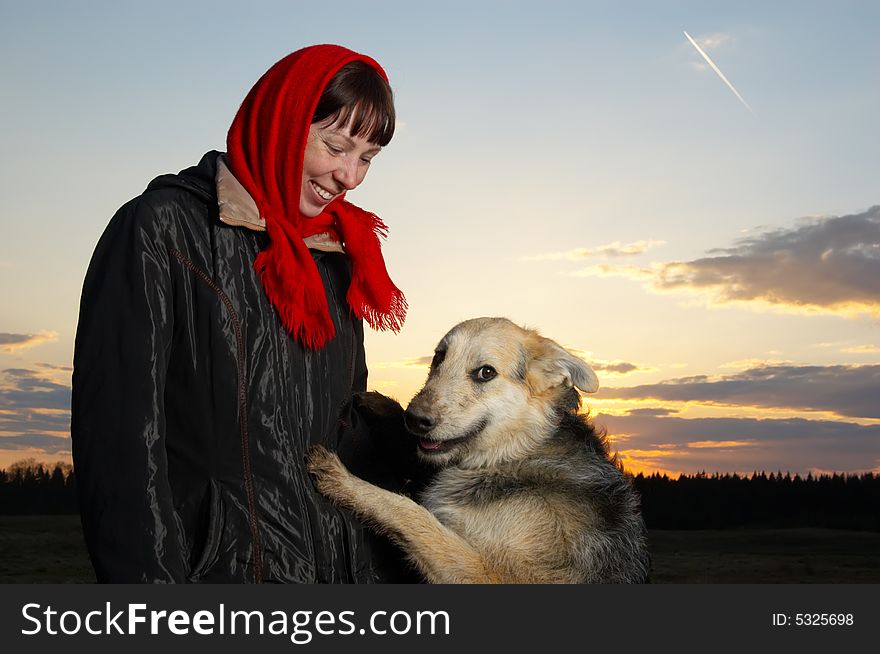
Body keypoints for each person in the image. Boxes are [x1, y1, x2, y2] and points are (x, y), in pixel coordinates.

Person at [71, 44, 409, 583]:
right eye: (335, 145)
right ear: (283, 120)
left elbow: (350, 435)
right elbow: (121, 449)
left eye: (367, 157)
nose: (350, 176)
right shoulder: (162, 231)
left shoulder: (339, 255)